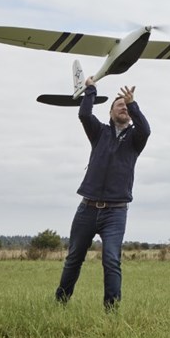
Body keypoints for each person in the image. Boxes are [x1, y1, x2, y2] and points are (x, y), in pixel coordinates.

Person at [55, 77, 150, 310]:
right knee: (74, 258)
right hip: (87, 208)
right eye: (120, 105)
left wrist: (133, 104)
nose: (124, 108)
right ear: (110, 112)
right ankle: (60, 303)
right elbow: (84, 115)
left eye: (127, 107)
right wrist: (90, 90)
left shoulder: (135, 140)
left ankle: (111, 311)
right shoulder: (99, 133)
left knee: (111, 260)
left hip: (115, 212)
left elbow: (146, 129)